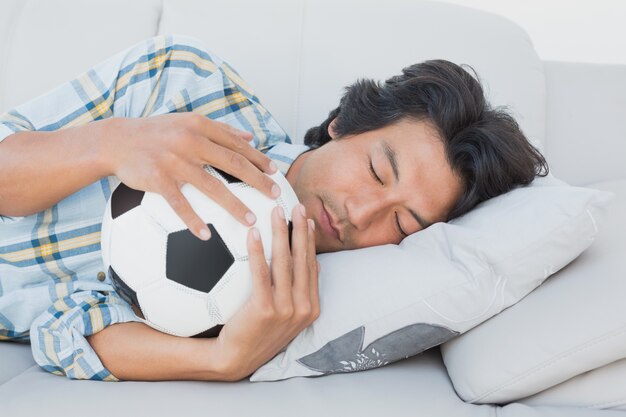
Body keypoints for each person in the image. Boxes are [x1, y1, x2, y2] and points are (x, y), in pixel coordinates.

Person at [0, 35, 547, 382]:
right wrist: (110, 144)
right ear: (343, 124)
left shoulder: (286, 290)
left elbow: (61, 332)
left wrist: (221, 361)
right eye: (377, 172)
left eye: (403, 223)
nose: (362, 213)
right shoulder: (186, 85)